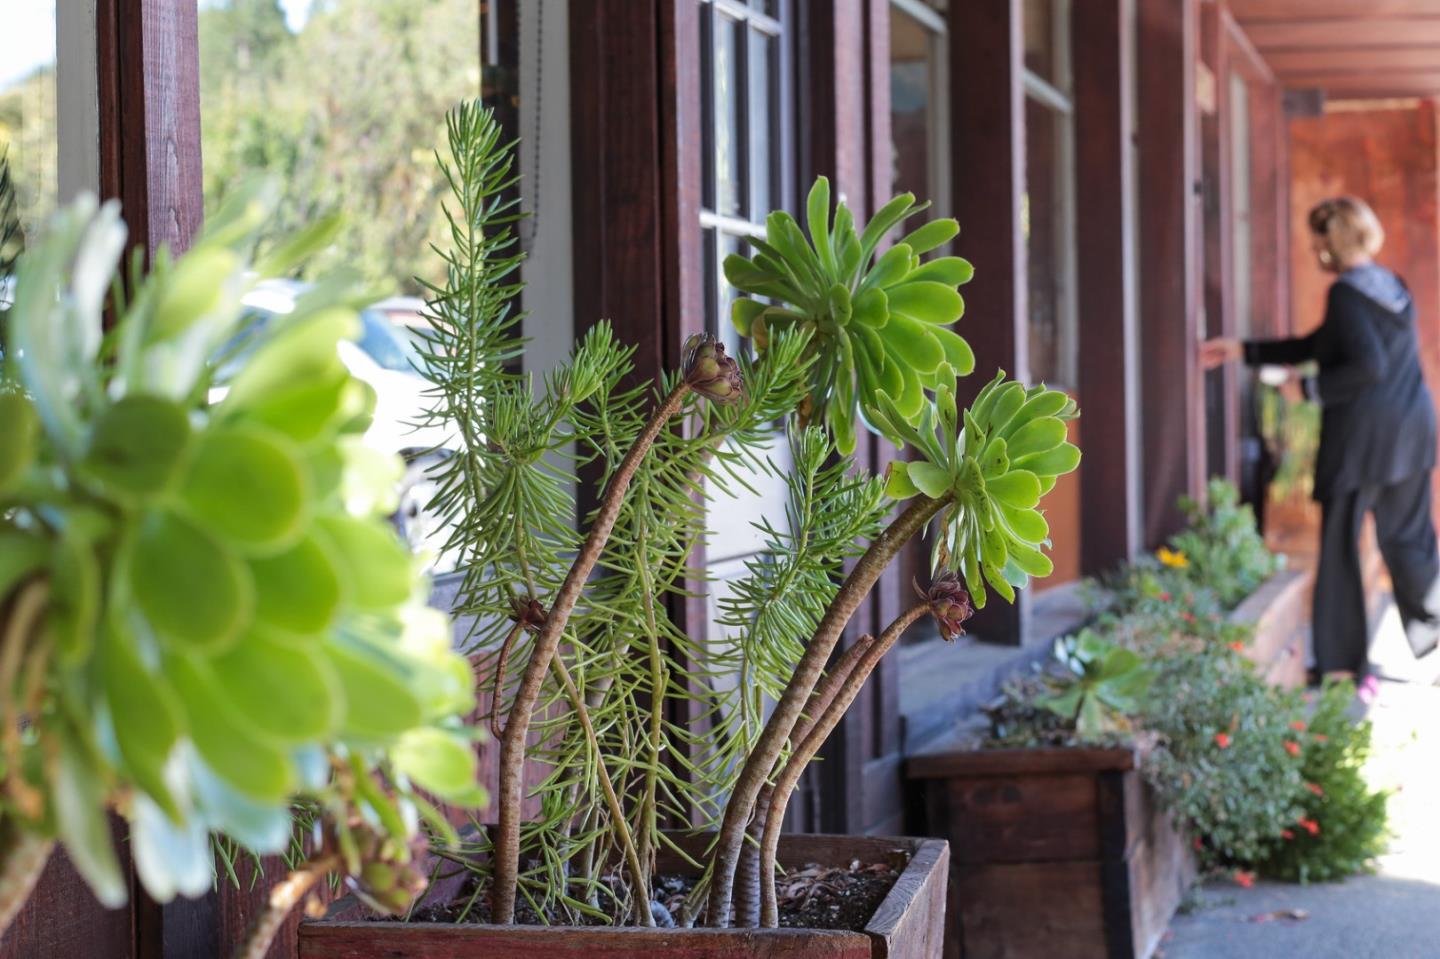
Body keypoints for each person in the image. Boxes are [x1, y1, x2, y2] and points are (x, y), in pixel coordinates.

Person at [1201, 196, 1440, 692]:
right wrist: (1244, 350)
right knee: (1410, 542)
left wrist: (1307, 388)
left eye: (1318, 238)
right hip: (1412, 432)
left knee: (1340, 549)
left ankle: (1340, 666)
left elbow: (1365, 366)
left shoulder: (1347, 295)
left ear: (1331, 241)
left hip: (1363, 443)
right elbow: (1323, 345)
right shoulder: (1391, 285)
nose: (1314, 248)